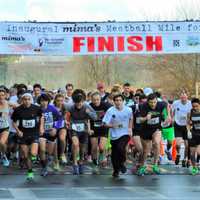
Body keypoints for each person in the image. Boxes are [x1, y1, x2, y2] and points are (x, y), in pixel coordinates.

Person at [12, 93, 44, 180]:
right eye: (25, 99)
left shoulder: (36, 108)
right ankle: (30, 172)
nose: (27, 101)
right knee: (26, 156)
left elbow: (42, 117)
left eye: (28, 99)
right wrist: (18, 131)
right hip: (23, 134)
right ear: (22, 100)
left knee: (33, 153)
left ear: (31, 99)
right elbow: (14, 122)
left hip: (34, 132)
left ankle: (34, 157)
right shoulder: (18, 110)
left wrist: (41, 127)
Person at [139, 93, 169, 175]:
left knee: (156, 142)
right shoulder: (143, 106)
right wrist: (146, 118)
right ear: (148, 102)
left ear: (157, 101)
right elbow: (139, 120)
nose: (153, 104)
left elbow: (167, 104)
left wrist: (168, 116)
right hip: (145, 130)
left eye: (154, 102)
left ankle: (155, 164)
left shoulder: (161, 104)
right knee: (146, 151)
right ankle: (142, 166)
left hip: (156, 128)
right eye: (151, 102)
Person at [103, 93, 133, 178]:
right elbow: (104, 123)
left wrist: (130, 128)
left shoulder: (128, 110)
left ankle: (122, 163)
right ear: (114, 102)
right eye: (116, 100)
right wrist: (113, 125)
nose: (118, 102)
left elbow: (131, 118)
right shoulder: (110, 111)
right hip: (114, 134)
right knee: (114, 154)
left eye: (120, 100)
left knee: (121, 147)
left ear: (123, 101)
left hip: (125, 133)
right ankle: (116, 170)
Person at [68, 89, 97, 175]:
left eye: (80, 103)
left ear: (83, 101)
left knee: (82, 149)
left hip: (84, 130)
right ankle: (75, 164)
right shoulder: (70, 107)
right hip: (74, 129)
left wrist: (89, 113)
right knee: (75, 144)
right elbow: (64, 114)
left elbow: (95, 117)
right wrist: (67, 122)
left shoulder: (87, 106)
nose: (79, 105)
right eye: (77, 103)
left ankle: (81, 161)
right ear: (74, 102)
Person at [37, 94, 61, 176]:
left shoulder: (52, 108)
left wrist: (55, 128)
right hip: (42, 133)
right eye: (42, 101)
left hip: (51, 132)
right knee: (42, 149)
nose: (44, 103)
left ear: (48, 101)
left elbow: (60, 118)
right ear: (39, 101)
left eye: (45, 101)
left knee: (49, 153)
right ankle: (44, 168)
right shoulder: (38, 109)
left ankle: (48, 162)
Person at [89, 92, 112, 174]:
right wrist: (88, 129)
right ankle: (95, 162)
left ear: (100, 99)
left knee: (102, 147)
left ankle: (102, 156)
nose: (96, 101)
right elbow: (87, 119)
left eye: (98, 99)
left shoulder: (106, 105)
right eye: (94, 100)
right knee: (94, 147)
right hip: (93, 128)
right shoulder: (89, 106)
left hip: (103, 128)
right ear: (91, 100)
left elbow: (113, 112)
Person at [172, 91, 192, 166]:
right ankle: (178, 154)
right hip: (178, 125)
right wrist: (172, 118)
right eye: (182, 97)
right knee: (178, 144)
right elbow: (172, 112)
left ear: (187, 96)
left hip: (187, 126)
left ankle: (185, 158)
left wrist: (190, 121)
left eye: (184, 97)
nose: (183, 98)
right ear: (180, 97)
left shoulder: (190, 104)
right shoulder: (176, 103)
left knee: (187, 145)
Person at [54, 94, 68, 165]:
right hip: (53, 126)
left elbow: (65, 117)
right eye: (58, 101)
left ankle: (62, 154)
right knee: (55, 142)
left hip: (62, 126)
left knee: (62, 138)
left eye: (61, 101)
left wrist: (66, 121)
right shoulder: (52, 107)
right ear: (55, 101)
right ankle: (55, 158)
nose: (60, 102)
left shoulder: (65, 107)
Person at [187, 98, 200, 175]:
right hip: (193, 134)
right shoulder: (190, 113)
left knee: (198, 152)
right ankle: (194, 168)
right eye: (193, 106)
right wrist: (188, 131)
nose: (195, 108)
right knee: (192, 153)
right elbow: (188, 123)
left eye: (196, 106)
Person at [0, 89, 10, 167]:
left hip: (5, 127)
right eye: (0, 95)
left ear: (5, 95)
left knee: (2, 142)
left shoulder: (8, 103)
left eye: (2, 95)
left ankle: (4, 156)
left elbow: (18, 106)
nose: (1, 97)